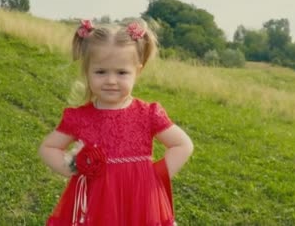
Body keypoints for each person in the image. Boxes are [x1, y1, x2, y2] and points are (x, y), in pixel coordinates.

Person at [38, 19, 194, 226]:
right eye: (101, 72)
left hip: (140, 204)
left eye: (121, 72)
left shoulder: (148, 114)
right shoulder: (80, 117)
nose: (111, 80)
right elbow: (49, 147)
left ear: (137, 71)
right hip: (95, 204)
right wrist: (73, 168)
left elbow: (182, 145)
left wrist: (153, 178)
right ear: (87, 71)